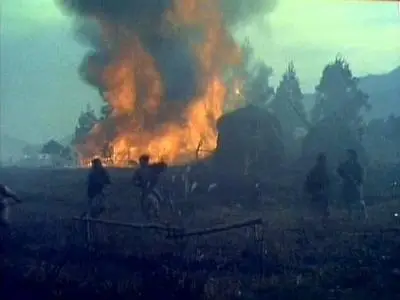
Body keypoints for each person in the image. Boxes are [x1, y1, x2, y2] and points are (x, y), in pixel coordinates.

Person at [132, 154, 167, 220]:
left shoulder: (152, 168)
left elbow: (162, 167)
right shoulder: (139, 171)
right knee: (144, 203)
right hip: (145, 190)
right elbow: (134, 180)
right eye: (141, 161)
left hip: (152, 188)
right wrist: (139, 184)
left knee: (157, 200)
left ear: (146, 161)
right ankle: (148, 215)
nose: (141, 163)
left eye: (143, 161)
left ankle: (157, 214)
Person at [337, 149, 365, 219]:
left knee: (357, 201)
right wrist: (344, 176)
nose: (349, 156)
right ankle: (349, 215)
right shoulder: (345, 164)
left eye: (350, 155)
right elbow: (339, 171)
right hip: (347, 185)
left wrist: (357, 181)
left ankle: (361, 215)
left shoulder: (357, 165)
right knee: (347, 201)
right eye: (348, 155)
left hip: (354, 186)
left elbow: (360, 176)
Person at [304, 153, 330, 219]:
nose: (324, 162)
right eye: (323, 161)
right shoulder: (314, 170)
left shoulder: (323, 169)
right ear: (319, 161)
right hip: (315, 191)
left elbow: (326, 180)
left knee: (323, 205)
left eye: (324, 161)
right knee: (316, 208)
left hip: (321, 191)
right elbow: (310, 181)